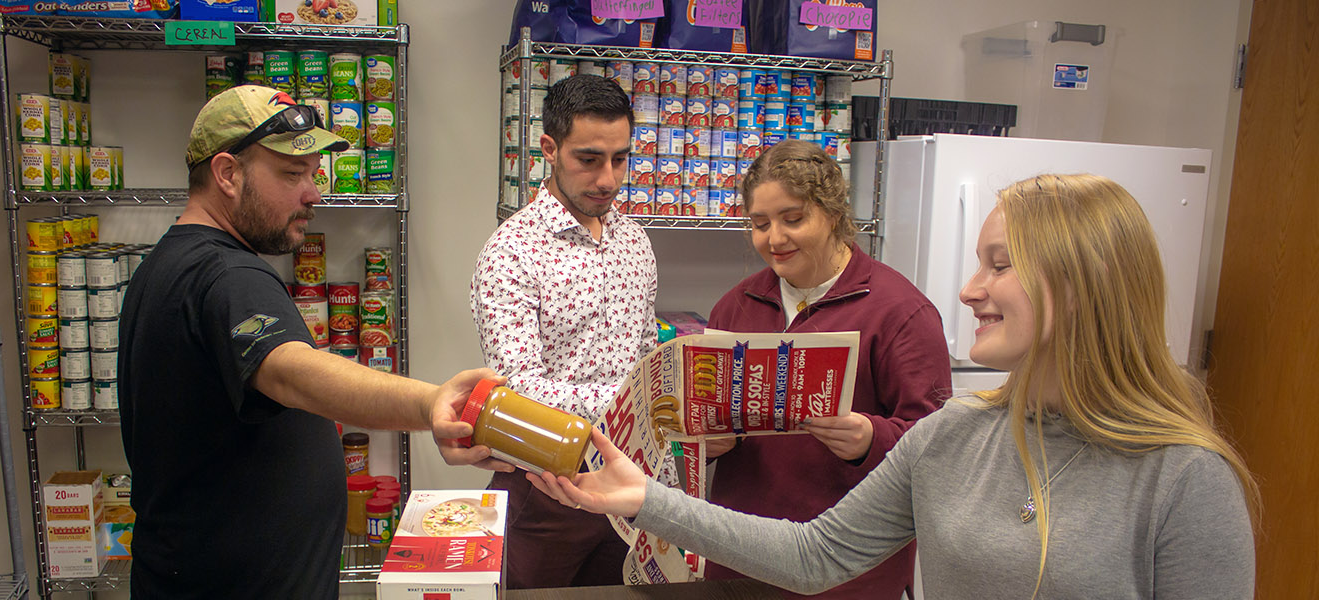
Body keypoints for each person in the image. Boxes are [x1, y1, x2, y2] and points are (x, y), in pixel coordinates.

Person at [529, 173, 1261, 598]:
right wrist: (647, 500)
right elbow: (815, 555)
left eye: (999, 265)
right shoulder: (956, 436)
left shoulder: (1185, 478)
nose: (970, 289)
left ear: (1084, 283)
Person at [118, 85, 503, 599]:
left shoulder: (167, 263)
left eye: (314, 173)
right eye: (291, 174)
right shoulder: (229, 275)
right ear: (228, 174)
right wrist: (431, 401)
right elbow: (291, 370)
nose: (313, 193)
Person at [700, 139, 951, 599]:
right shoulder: (734, 308)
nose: (774, 239)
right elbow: (692, 436)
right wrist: (706, 445)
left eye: (793, 219)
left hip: (848, 571)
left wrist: (870, 440)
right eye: (759, 225)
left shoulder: (901, 312)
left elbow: (940, 450)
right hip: (739, 556)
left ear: (833, 213)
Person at [469, 74, 659, 588]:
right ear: (549, 149)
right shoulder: (512, 251)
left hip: (628, 479)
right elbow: (518, 387)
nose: (608, 178)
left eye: (620, 159)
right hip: (544, 485)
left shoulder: (635, 242)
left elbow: (645, 349)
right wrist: (629, 401)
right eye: (589, 159)